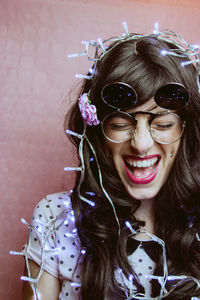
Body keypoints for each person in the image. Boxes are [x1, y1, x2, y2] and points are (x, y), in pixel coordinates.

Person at [21, 25, 200, 300]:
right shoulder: (56, 221)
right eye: (120, 123)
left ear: (185, 132)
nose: (141, 144)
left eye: (163, 124)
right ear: (97, 133)